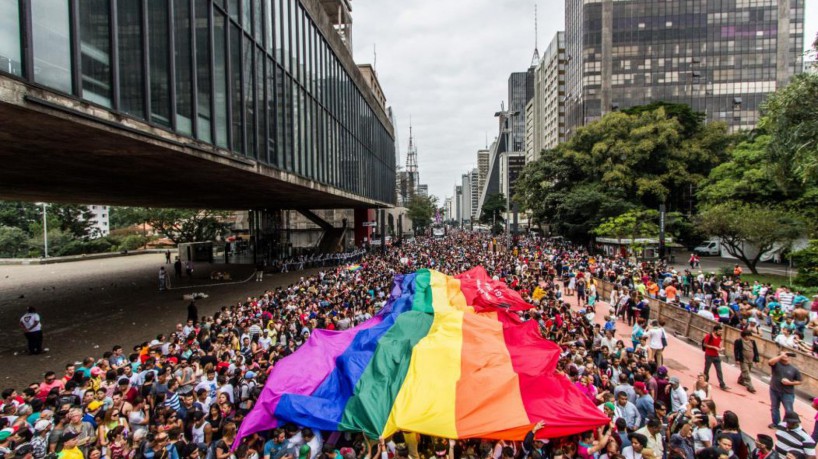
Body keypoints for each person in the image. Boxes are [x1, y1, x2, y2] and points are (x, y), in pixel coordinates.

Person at [769, 352, 803, 428]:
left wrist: (789, 383)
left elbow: (799, 381)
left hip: (787, 393)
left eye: (787, 355)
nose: (785, 356)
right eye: (783, 354)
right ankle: (776, 423)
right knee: (774, 408)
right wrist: (781, 355)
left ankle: (789, 425)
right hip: (774, 390)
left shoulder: (794, 369)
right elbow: (770, 362)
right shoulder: (776, 364)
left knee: (789, 410)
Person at [703, 324, 730, 390]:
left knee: (719, 370)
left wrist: (720, 348)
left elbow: (718, 345)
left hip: (716, 356)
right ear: (715, 331)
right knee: (706, 370)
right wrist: (714, 347)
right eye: (720, 331)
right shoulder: (709, 336)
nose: (721, 333)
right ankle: (705, 381)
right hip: (709, 355)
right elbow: (705, 344)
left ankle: (722, 384)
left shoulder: (719, 337)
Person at [734, 329, 760, 394]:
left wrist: (756, 360)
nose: (749, 337)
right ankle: (750, 386)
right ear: (744, 336)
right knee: (746, 372)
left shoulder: (753, 342)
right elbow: (736, 351)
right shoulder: (739, 341)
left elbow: (755, 351)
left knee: (746, 371)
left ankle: (740, 380)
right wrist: (737, 359)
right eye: (747, 335)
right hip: (743, 359)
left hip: (750, 360)